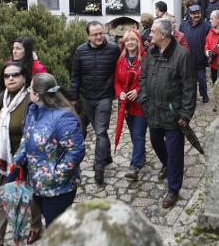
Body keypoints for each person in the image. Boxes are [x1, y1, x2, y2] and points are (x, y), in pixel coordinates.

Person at [11, 73, 85, 228]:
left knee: (55, 228)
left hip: (58, 189)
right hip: (37, 185)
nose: (28, 92)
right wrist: (17, 160)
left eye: (30, 89)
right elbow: (27, 137)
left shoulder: (63, 118)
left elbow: (76, 151)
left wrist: (55, 175)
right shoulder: (33, 110)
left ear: (37, 95)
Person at [0, 62, 43, 246]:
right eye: (7, 76)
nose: (10, 78)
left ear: (24, 77)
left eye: (15, 75)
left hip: (28, 158)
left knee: (31, 197)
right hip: (4, 158)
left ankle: (35, 226)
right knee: (3, 199)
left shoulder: (31, 99)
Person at [139, 18, 196, 209]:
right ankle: (168, 165)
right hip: (153, 110)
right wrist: (144, 98)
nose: (149, 35)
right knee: (156, 142)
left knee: (175, 152)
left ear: (163, 35)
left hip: (173, 114)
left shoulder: (181, 55)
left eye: (153, 32)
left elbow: (189, 86)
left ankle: (173, 189)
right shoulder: (151, 52)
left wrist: (185, 114)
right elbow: (144, 76)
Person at [69, 21, 120, 185]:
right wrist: (74, 98)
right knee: (100, 130)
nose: (99, 37)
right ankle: (107, 155)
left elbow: (120, 71)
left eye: (101, 33)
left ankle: (99, 167)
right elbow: (75, 76)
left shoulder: (113, 49)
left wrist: (117, 91)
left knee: (100, 130)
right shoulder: (80, 51)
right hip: (87, 97)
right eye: (95, 34)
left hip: (105, 96)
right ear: (88, 36)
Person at [114, 29, 147, 181]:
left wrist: (138, 90)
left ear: (138, 41)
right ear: (124, 43)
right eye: (127, 40)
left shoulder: (145, 60)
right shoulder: (120, 61)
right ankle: (141, 157)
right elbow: (117, 82)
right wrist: (120, 92)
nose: (130, 43)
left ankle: (134, 167)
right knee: (135, 135)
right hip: (127, 105)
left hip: (140, 105)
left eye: (133, 40)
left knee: (138, 134)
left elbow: (149, 81)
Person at [179, 4, 211, 104]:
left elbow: (209, 41)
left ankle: (204, 95)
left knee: (201, 79)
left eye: (198, 13)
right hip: (186, 57)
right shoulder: (183, 25)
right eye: (193, 13)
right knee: (188, 81)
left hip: (200, 57)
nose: (196, 15)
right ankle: (191, 98)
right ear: (189, 14)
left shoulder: (207, 26)